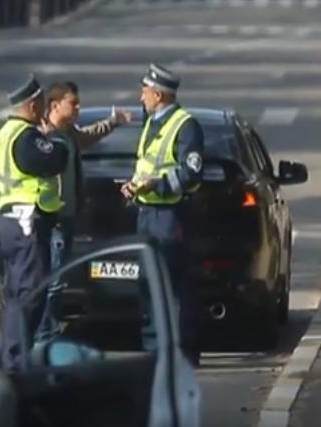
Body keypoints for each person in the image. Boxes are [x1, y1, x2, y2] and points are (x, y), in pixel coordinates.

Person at [120, 63, 205, 366]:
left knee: (173, 285)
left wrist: (159, 184)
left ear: (158, 94)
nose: (141, 96)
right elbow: (147, 164)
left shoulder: (185, 125)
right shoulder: (151, 121)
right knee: (149, 282)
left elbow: (192, 172)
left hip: (170, 216)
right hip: (147, 212)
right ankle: (155, 350)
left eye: (145, 91)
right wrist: (135, 186)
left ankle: (180, 352)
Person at [0, 74, 68, 370]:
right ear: (33, 105)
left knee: (12, 297)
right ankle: (16, 363)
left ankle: (11, 358)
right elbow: (54, 159)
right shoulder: (26, 137)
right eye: (43, 105)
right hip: (28, 225)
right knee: (29, 296)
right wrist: (56, 137)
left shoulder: (3, 135)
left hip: (10, 224)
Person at [41, 81, 133, 261]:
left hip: (69, 215)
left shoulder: (69, 133)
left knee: (61, 272)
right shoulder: (41, 136)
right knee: (54, 276)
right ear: (55, 106)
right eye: (73, 103)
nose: (78, 107)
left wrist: (113, 121)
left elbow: (89, 134)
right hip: (52, 218)